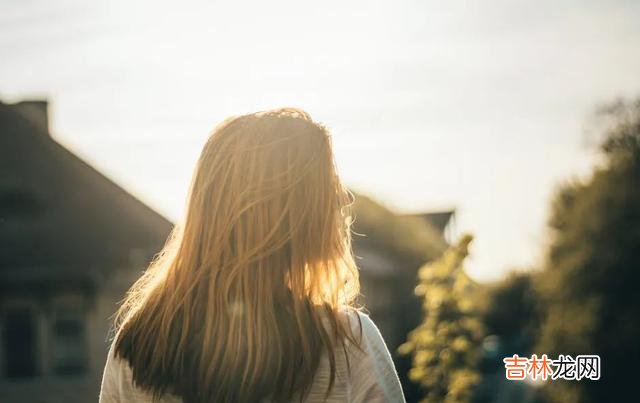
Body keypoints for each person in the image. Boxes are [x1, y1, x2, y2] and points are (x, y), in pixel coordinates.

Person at [99, 108, 405, 403]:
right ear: (280, 210)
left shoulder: (137, 346)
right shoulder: (348, 344)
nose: (344, 196)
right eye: (325, 183)